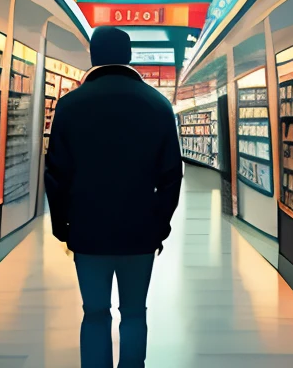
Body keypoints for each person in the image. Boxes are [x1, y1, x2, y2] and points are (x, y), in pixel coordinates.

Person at [45, 25, 183, 368]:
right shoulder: (158, 104)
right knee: (135, 313)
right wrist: (159, 226)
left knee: (94, 314)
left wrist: (63, 226)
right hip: (140, 234)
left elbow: (55, 174)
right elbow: (172, 176)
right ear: (129, 56)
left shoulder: (69, 106)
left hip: (87, 232)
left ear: (93, 57)